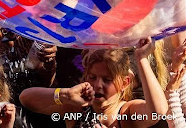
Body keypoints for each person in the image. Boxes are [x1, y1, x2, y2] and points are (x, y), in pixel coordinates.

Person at [20, 39, 168, 128]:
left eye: (107, 80)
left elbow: (158, 111)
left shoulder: (126, 113)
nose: (97, 85)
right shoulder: (76, 109)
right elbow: (26, 98)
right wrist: (64, 94)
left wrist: (141, 58)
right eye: (92, 77)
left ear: (125, 83)